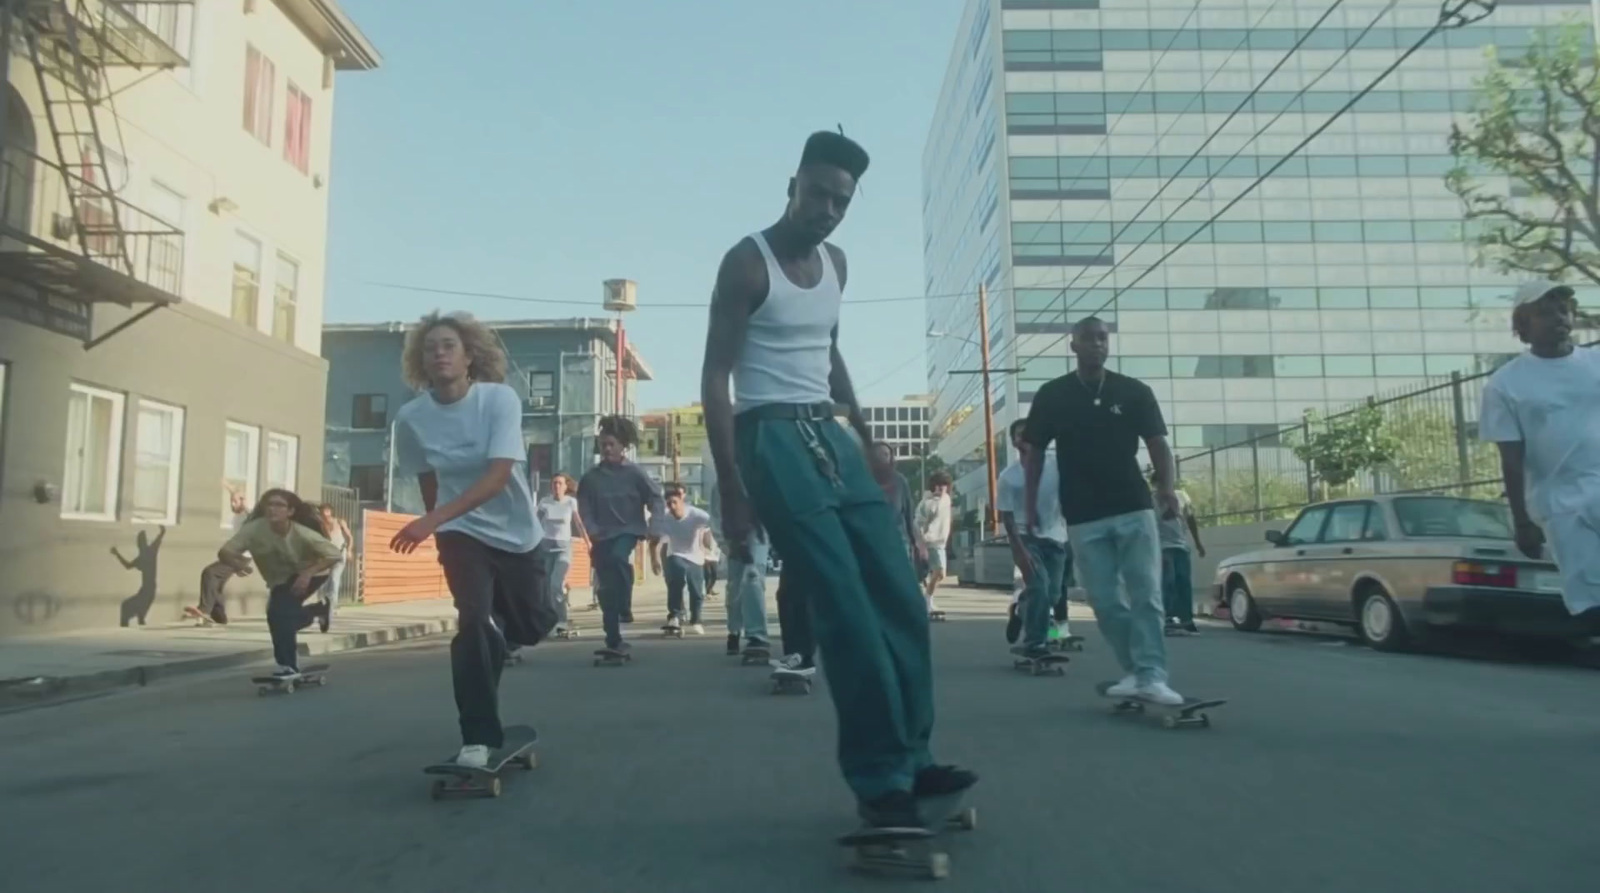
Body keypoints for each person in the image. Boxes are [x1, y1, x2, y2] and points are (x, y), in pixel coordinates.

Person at [700, 130, 973, 828]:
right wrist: (733, 489)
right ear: (793, 185)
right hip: (769, 435)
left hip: (829, 430)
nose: (827, 209)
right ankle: (881, 780)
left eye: (841, 201)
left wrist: (865, 430)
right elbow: (716, 375)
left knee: (900, 597)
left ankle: (916, 755)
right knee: (846, 609)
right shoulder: (746, 263)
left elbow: (828, 347)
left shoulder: (837, 265)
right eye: (818, 193)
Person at [390, 311, 557, 769]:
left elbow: (499, 474)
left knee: (531, 626)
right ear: (421, 363)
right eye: (430, 348)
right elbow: (427, 478)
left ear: (469, 358)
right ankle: (478, 737)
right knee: (473, 623)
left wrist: (433, 519)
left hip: (517, 532)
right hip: (461, 534)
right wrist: (439, 525)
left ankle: (512, 624)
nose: (439, 353)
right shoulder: (411, 419)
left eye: (449, 345)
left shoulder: (497, 400)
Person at [1023, 316, 1186, 706]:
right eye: (1088, 339)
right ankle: (1135, 670)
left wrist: (1166, 489)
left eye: (1102, 338)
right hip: (1082, 513)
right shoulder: (1052, 394)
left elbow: (1158, 444)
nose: (1097, 344)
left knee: (1146, 594)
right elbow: (1033, 454)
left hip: (1133, 506)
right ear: (1073, 345)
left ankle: (1152, 675)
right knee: (1104, 601)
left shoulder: (1133, 392)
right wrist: (1030, 508)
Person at [1480, 280, 1600, 627]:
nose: (1558, 318)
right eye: (1544, 313)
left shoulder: (1595, 364)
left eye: (1562, 310)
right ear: (1523, 327)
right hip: (1561, 507)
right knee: (1590, 600)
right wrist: (1522, 522)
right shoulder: (1505, 384)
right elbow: (1511, 458)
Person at [217, 489, 342, 677]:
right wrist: (235, 563)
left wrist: (307, 573)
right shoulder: (253, 529)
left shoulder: (302, 532)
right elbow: (225, 551)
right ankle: (317, 611)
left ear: (290, 512)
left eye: (279, 505)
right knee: (277, 617)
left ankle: (288, 665)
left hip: (313, 573)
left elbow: (334, 554)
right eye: (269, 505)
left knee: (280, 612)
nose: (272, 509)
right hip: (281, 579)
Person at [577, 415, 664, 654]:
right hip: (601, 535)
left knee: (618, 558)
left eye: (611, 444)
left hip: (628, 530)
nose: (606, 449)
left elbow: (656, 498)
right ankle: (613, 639)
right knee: (605, 589)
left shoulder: (635, 473)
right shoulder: (592, 477)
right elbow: (582, 504)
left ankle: (625, 604)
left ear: (622, 446)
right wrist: (591, 529)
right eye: (603, 444)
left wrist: (656, 526)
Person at [997, 420, 1069, 658]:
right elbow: (1006, 517)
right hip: (1025, 538)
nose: (1026, 438)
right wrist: (1019, 550)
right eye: (1020, 435)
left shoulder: (1057, 465)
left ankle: (1019, 610)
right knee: (1039, 587)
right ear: (1015, 442)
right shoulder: (1009, 477)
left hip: (1056, 536)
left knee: (1053, 595)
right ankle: (1035, 643)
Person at [705, 440, 774, 657]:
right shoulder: (723, 485)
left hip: (757, 536)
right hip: (732, 537)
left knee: (752, 579)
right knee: (735, 588)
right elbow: (716, 517)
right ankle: (734, 630)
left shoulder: (764, 480)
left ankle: (757, 636)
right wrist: (725, 545)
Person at [187, 485, 251, 625]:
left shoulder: (249, 515)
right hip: (233, 555)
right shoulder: (236, 516)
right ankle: (219, 616)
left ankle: (204, 611)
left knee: (209, 573)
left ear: (243, 501)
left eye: (235, 502)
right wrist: (230, 489)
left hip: (240, 558)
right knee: (216, 583)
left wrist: (244, 504)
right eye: (231, 502)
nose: (232, 505)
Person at [1151, 472, 1205, 635]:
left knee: (1184, 583)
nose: (1162, 487)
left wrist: (1198, 543)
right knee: (1168, 582)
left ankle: (1186, 619)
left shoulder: (1181, 496)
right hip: (1162, 546)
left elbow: (1191, 519)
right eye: (1159, 485)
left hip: (1181, 545)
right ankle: (1168, 618)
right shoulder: (1151, 499)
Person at [657, 482, 714, 634]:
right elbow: (654, 540)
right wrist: (654, 560)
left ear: (682, 500)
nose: (672, 507)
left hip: (695, 556)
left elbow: (713, 526)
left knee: (696, 589)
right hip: (675, 554)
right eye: (669, 504)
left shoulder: (697, 515)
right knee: (676, 579)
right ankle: (675, 615)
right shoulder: (664, 518)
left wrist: (710, 549)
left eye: (675, 502)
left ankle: (696, 619)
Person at [537, 473, 588, 636]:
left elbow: (578, 523)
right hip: (546, 548)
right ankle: (548, 622)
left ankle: (561, 620)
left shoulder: (571, 502)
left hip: (563, 548)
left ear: (566, 486)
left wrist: (588, 541)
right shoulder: (544, 503)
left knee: (555, 584)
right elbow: (535, 523)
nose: (556, 486)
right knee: (545, 588)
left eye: (560, 483)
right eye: (554, 483)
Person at [915, 473, 954, 614]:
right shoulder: (927, 504)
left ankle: (927, 598)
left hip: (941, 542)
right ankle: (927, 601)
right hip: (931, 542)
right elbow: (918, 523)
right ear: (934, 486)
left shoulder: (947, 499)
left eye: (945, 485)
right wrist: (921, 542)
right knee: (939, 572)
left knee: (939, 574)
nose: (943, 488)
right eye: (940, 485)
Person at [318, 503, 354, 631]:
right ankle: (322, 607)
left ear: (330, 511)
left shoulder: (339, 522)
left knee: (334, 580)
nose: (324, 513)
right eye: (322, 511)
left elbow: (350, 537)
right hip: (325, 557)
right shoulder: (320, 525)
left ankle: (331, 608)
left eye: (326, 511)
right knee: (322, 584)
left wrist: (349, 551)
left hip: (340, 554)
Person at [703, 532, 721, 600]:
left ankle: (710, 588)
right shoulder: (706, 531)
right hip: (706, 555)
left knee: (714, 574)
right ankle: (708, 592)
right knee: (707, 574)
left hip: (714, 556)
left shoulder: (719, 533)